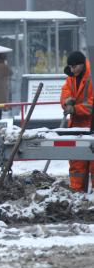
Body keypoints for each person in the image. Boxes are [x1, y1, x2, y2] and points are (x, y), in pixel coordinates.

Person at [60, 50, 94, 192]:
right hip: (76, 126)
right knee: (76, 162)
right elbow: (65, 91)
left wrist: (75, 109)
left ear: (82, 65)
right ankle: (76, 192)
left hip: (91, 125)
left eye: (74, 67)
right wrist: (66, 102)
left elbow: (91, 105)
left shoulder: (91, 78)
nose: (72, 70)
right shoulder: (71, 77)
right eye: (71, 67)